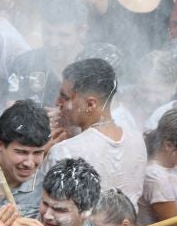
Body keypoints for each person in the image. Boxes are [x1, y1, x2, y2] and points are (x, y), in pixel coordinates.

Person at [43, 58, 146, 206]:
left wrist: (43, 153)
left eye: (64, 97)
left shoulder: (64, 152)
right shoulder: (137, 140)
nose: (57, 102)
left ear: (90, 104)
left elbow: (51, 209)